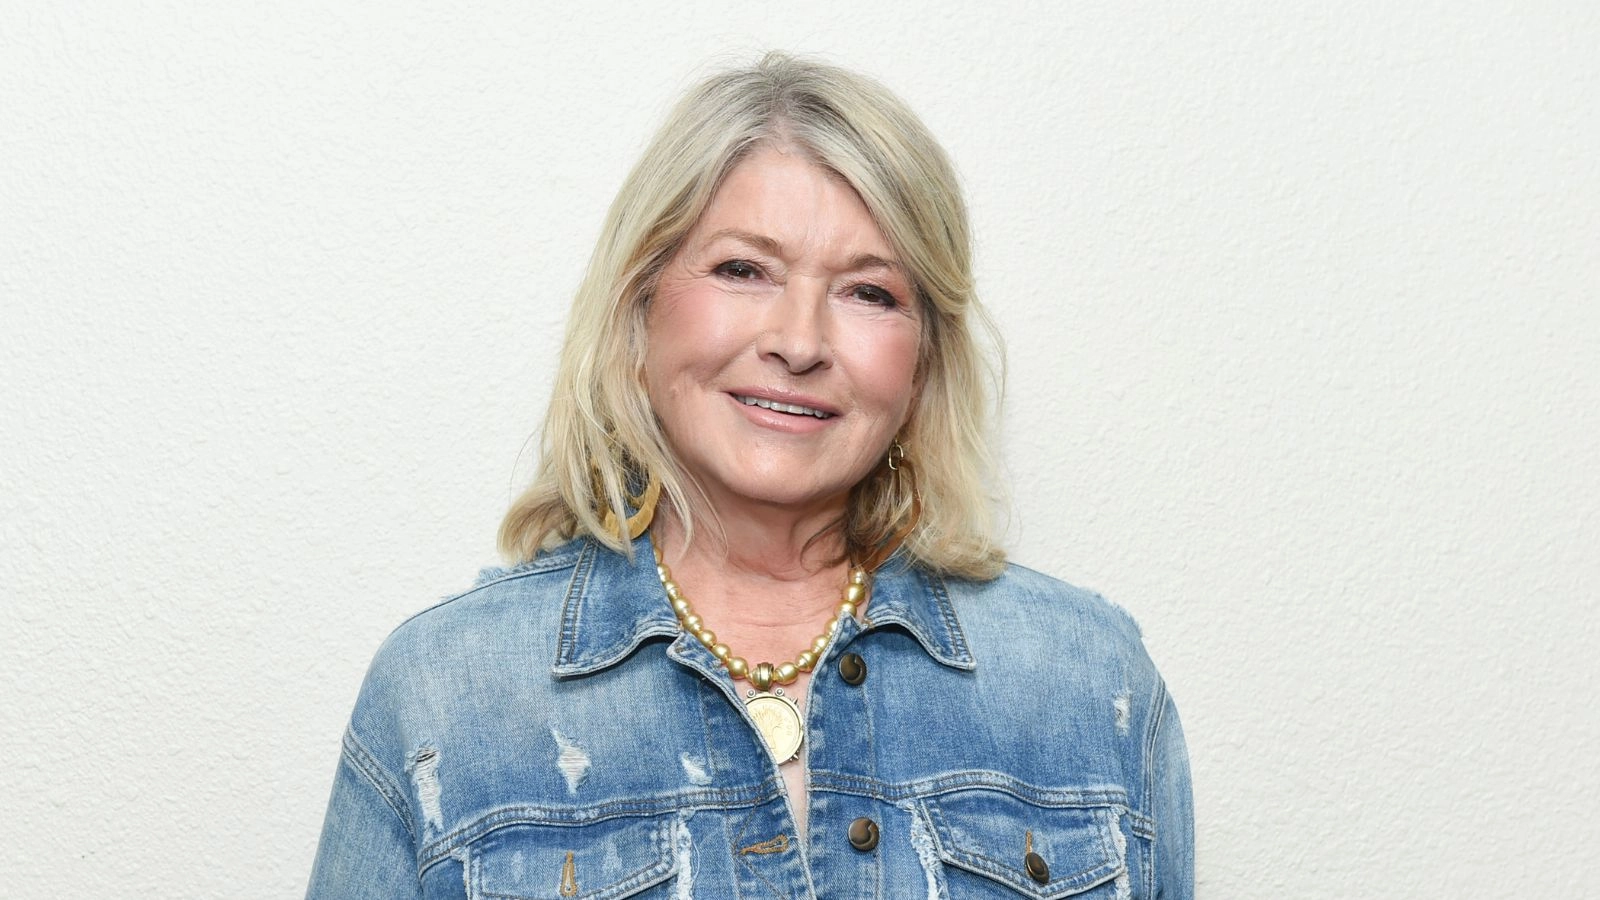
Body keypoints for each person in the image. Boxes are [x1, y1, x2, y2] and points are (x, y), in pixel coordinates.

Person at [307, 52, 1192, 899]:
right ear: (639, 310)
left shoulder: (1089, 683)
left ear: (923, 360)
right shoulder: (447, 693)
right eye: (743, 270)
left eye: (869, 292)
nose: (799, 342)